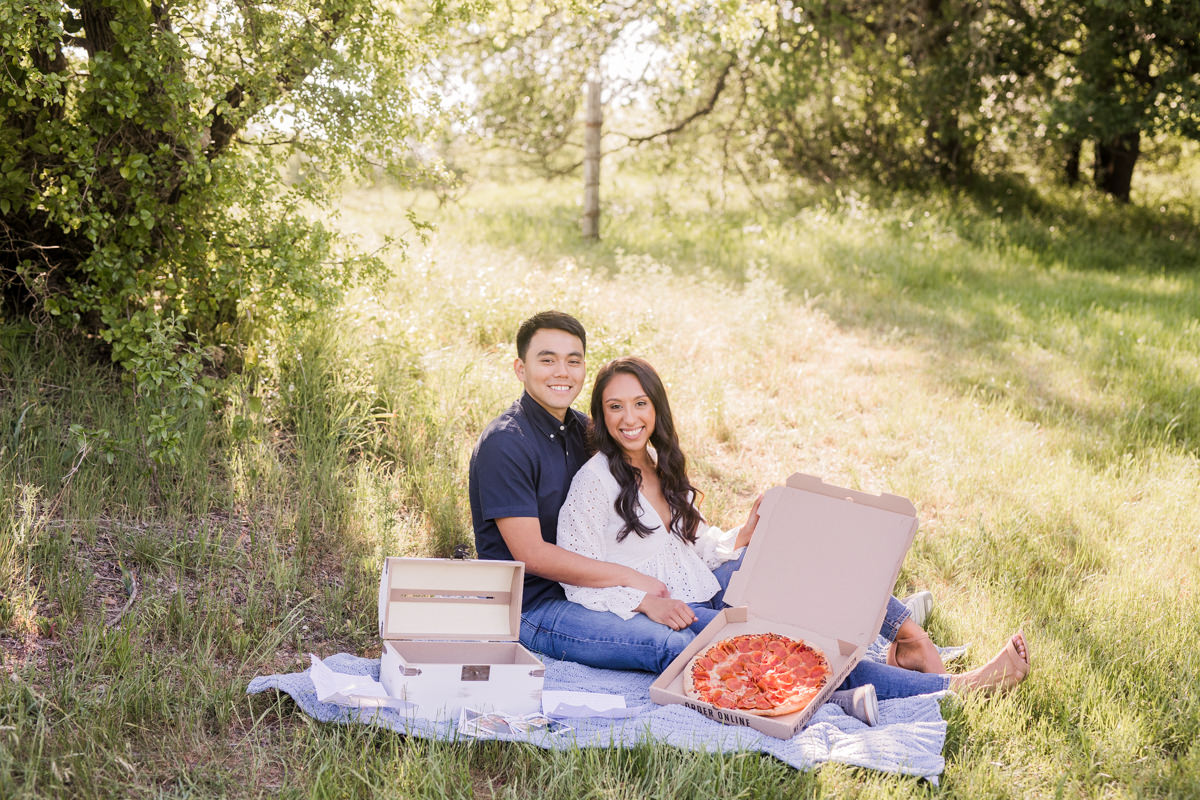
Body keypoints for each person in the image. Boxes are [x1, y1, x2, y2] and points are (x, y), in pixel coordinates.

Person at [553, 355, 1031, 697]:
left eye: (639, 404)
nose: (629, 418)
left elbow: (688, 546)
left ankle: (910, 639)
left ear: (656, 408)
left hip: (707, 582)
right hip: (681, 609)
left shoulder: (658, 462)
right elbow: (574, 576)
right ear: (601, 413)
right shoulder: (593, 483)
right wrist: (644, 603)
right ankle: (956, 687)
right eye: (615, 406)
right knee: (793, 646)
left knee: (809, 551)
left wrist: (740, 537)